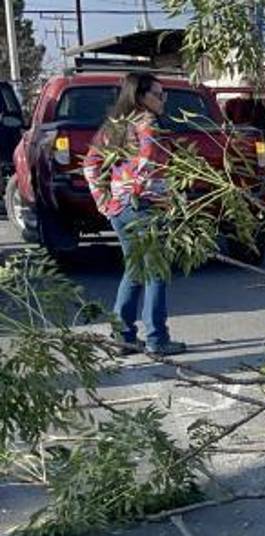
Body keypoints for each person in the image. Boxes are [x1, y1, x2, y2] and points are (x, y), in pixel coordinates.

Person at [82, 72, 186, 356]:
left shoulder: (114, 126)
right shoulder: (148, 123)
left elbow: (90, 164)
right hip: (144, 207)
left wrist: (105, 201)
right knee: (156, 272)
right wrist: (140, 190)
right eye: (158, 95)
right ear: (140, 96)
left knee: (135, 270)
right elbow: (148, 159)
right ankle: (157, 339)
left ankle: (123, 336)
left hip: (121, 209)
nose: (163, 100)